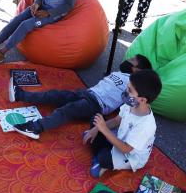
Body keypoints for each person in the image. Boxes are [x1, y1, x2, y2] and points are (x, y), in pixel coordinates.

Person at [10, 55, 152, 139]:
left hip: (96, 104)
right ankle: (20, 95)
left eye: (132, 61)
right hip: (87, 93)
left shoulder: (134, 85)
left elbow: (132, 104)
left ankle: (35, 128)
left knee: (67, 110)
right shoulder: (121, 74)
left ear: (137, 70)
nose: (128, 60)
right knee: (54, 95)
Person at [83, 69, 162, 178]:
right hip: (120, 138)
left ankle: (102, 159)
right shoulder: (131, 104)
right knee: (95, 120)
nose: (126, 91)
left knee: (103, 157)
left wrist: (103, 130)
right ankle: (102, 152)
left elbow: (126, 149)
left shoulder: (146, 126)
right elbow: (116, 121)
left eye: (129, 90)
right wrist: (97, 128)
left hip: (130, 155)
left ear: (143, 100)